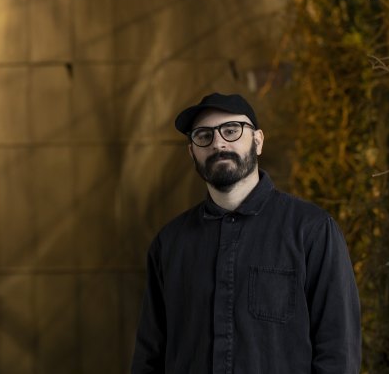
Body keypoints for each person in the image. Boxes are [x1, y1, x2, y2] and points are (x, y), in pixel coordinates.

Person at [131, 92, 361, 373]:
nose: (218, 143)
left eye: (231, 131)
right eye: (203, 135)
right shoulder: (170, 243)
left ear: (258, 141)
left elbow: (339, 352)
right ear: (192, 151)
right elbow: (149, 355)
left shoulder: (312, 231)